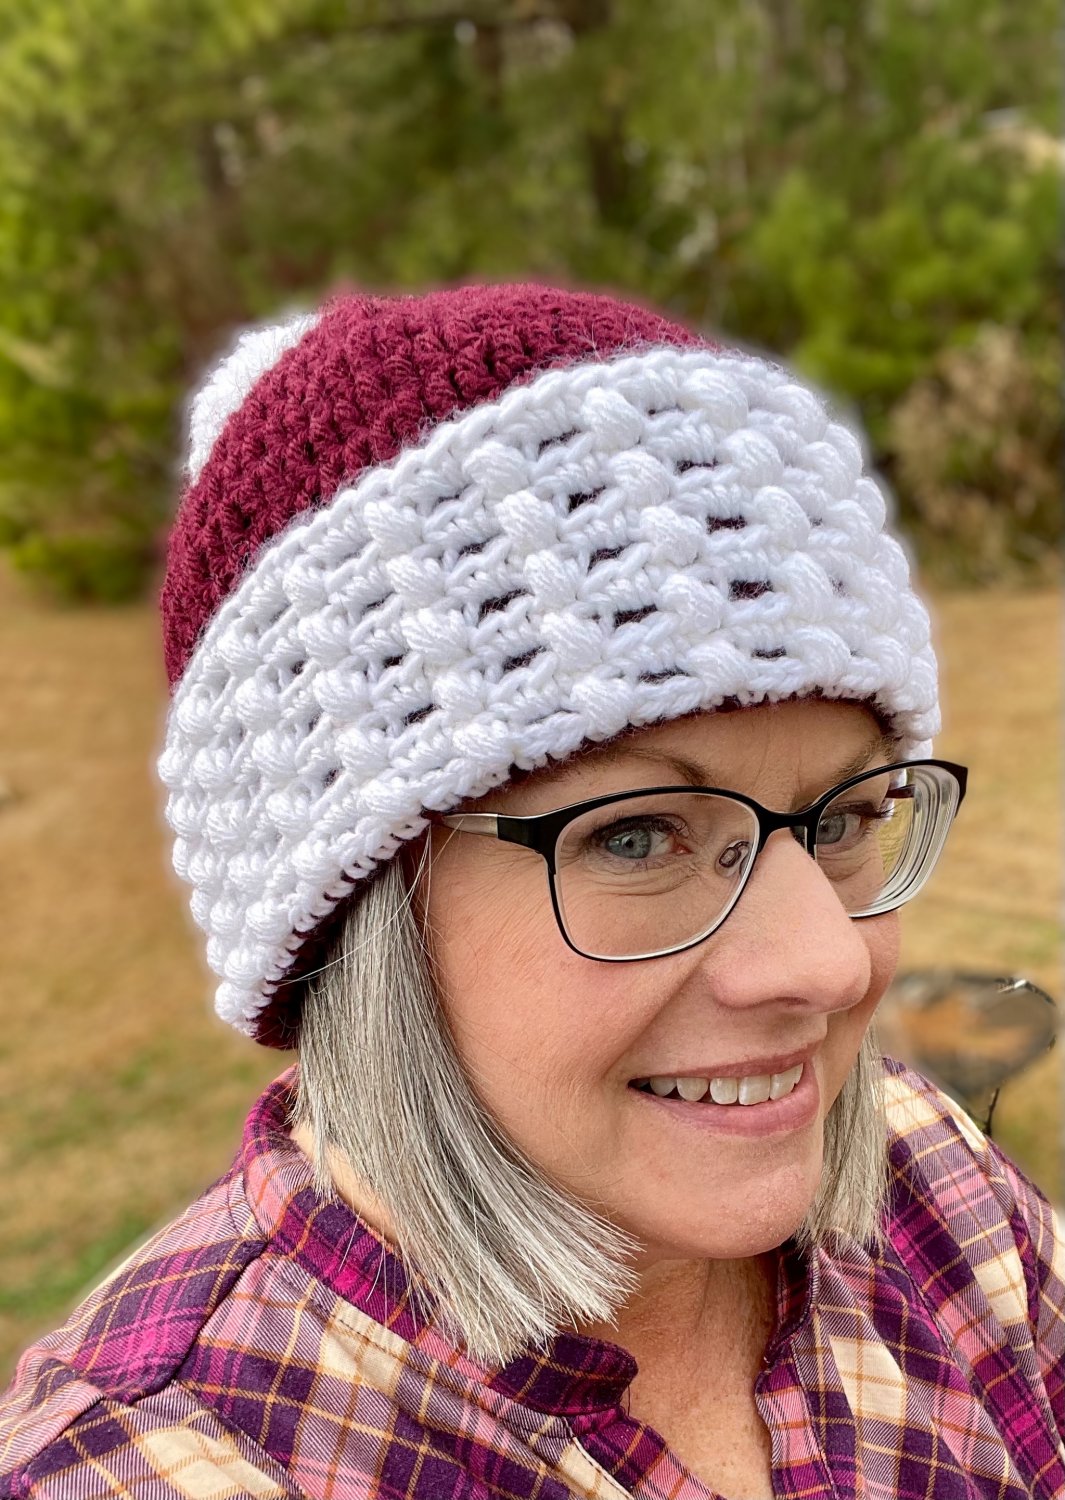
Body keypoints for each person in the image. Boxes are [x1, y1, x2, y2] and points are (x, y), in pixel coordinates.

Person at [1, 283, 1062, 1500]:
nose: (824, 963)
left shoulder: (938, 1199)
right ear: (352, 917)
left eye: (844, 816)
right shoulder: (155, 1468)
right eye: (637, 838)